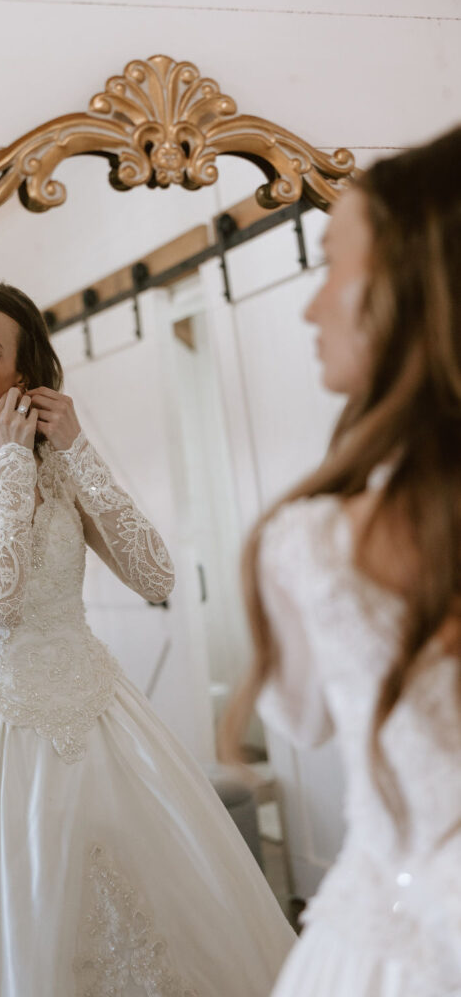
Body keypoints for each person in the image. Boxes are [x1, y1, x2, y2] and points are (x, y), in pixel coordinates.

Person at [0, 281, 294, 996]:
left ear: (23, 375)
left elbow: (155, 575)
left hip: (100, 716)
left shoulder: (58, 467)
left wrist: (74, 449)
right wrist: (9, 462)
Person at [222, 127, 461, 996]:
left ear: (415, 285)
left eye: (328, 265)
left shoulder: (319, 544)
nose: (309, 306)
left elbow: (303, 715)